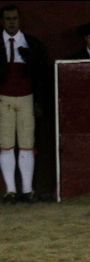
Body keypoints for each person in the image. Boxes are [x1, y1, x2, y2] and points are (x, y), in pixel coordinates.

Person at [0, 4, 48, 204]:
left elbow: (41, 76)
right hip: (2, 98)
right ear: (2, 22)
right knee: (6, 145)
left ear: (20, 20)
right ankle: (11, 190)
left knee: (27, 145)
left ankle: (27, 189)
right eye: (8, 19)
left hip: (27, 98)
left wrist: (39, 102)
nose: (12, 22)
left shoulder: (32, 44)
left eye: (15, 18)